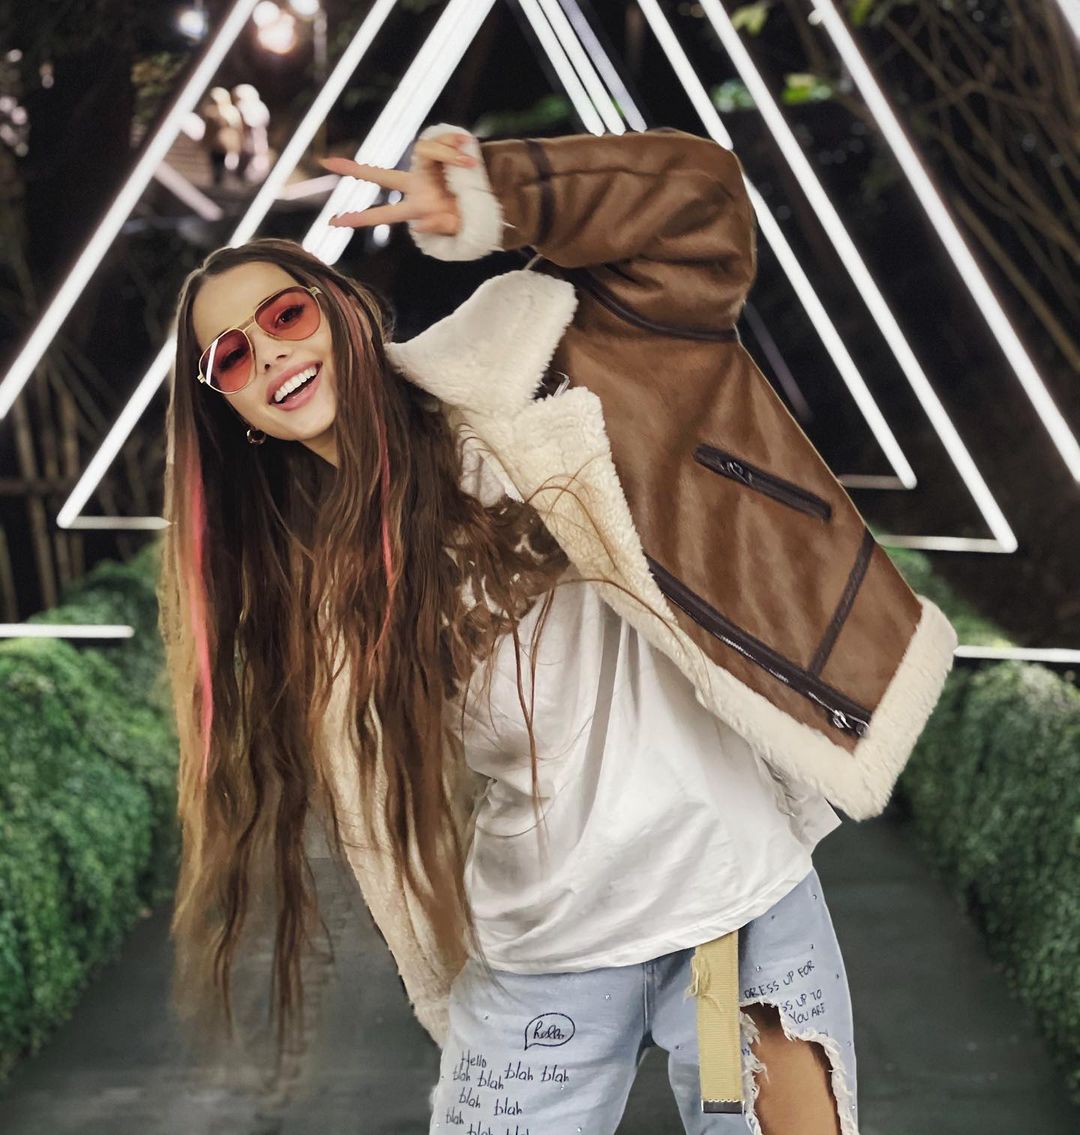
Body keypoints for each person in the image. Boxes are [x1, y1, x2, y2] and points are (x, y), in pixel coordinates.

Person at [158, 124, 956, 1134]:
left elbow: (700, 208)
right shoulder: (326, 600)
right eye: (232, 355)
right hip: (545, 962)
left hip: (726, 916)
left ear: (345, 309)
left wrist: (499, 193)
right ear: (233, 408)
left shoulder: (534, 369)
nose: (270, 349)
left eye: (286, 312)